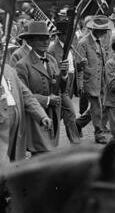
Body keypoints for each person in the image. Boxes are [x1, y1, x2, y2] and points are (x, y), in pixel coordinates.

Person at [15, 21, 69, 154]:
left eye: (47, 38)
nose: (45, 42)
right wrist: (47, 100)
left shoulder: (52, 60)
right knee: (40, 152)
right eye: (41, 39)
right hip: (36, 117)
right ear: (31, 42)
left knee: (50, 152)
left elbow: (60, 88)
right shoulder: (23, 65)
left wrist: (64, 74)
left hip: (53, 114)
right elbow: (22, 95)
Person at [0, 64, 52, 165]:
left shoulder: (9, 69)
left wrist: (42, 116)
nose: (1, 50)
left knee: (13, 159)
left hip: (16, 124)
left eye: (2, 48)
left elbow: (26, 95)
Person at [75, 15, 112, 144]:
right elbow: (78, 66)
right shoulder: (83, 43)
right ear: (95, 29)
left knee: (99, 106)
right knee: (97, 106)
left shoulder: (100, 41)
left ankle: (78, 123)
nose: (105, 32)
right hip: (89, 80)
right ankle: (99, 133)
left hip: (101, 81)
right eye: (103, 29)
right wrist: (80, 85)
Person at [47, 24, 81, 144]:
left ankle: (48, 137)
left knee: (61, 112)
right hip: (60, 85)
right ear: (61, 35)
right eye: (68, 34)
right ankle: (75, 140)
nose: (72, 36)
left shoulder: (70, 46)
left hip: (70, 80)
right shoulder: (52, 49)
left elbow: (73, 64)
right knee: (70, 112)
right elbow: (52, 70)